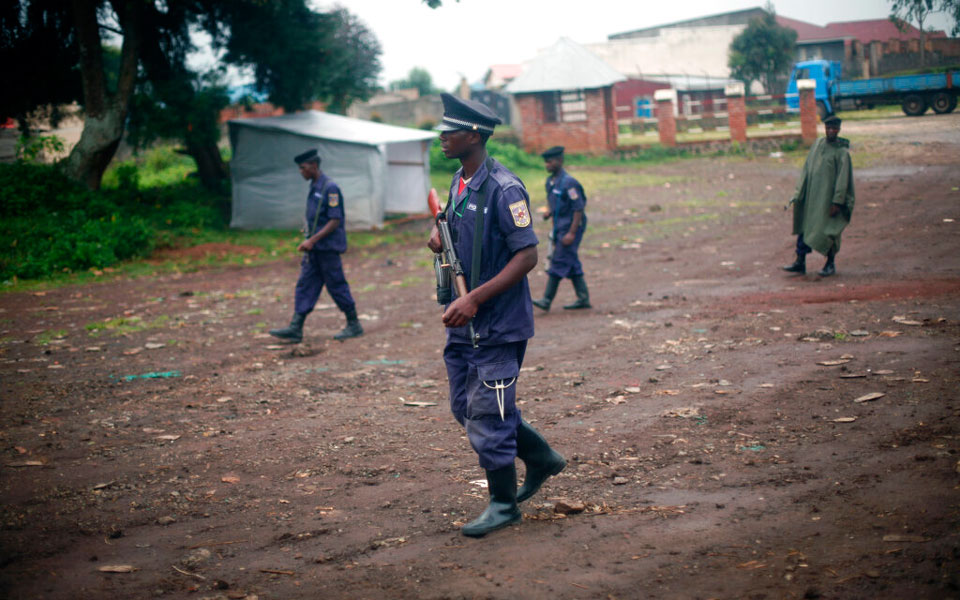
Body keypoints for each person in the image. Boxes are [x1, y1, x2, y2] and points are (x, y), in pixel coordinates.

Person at [428, 93, 566, 538]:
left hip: (496, 322)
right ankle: (541, 457)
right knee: (465, 406)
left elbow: (526, 256)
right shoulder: (459, 181)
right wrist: (438, 232)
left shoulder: (505, 188)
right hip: (464, 321)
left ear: (474, 135)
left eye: (450, 130)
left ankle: (504, 505)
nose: (442, 136)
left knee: (489, 412)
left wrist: (474, 300)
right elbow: (450, 219)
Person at [269, 149, 363, 343]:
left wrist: (312, 240)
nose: (300, 172)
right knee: (305, 285)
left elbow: (335, 220)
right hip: (315, 251)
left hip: (327, 249)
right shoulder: (315, 186)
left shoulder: (330, 188)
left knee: (336, 285)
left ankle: (354, 324)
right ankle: (296, 327)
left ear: (313, 165)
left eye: (303, 168)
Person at [782, 115, 855, 277]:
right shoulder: (817, 145)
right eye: (828, 128)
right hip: (812, 197)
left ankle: (830, 263)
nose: (830, 131)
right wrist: (799, 193)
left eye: (834, 128)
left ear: (838, 130)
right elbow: (807, 169)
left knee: (829, 230)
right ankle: (800, 262)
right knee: (805, 227)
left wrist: (837, 201)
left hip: (828, 201)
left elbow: (843, 180)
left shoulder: (842, 153)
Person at [532, 146, 591, 310]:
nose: (547, 165)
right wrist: (549, 212)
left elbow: (578, 208)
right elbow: (556, 203)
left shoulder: (569, 183)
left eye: (550, 162)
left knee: (559, 261)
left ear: (560, 161)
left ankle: (547, 300)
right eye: (546, 162)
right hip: (559, 227)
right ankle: (583, 298)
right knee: (571, 261)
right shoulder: (550, 182)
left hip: (571, 227)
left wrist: (572, 233)